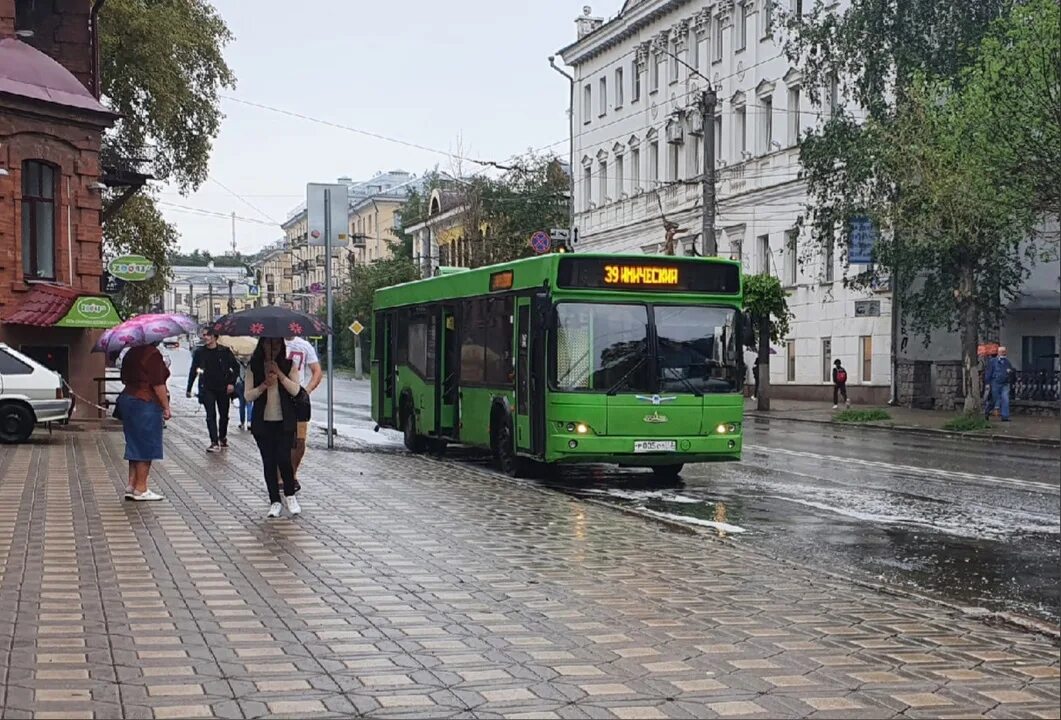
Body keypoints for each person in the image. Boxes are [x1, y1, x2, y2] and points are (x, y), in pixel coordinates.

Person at [244, 338, 303, 518]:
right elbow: (248, 396)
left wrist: (280, 375)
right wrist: (264, 385)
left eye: (277, 345)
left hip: (284, 422)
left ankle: (290, 494)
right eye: (269, 345)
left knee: (284, 458)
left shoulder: (288, 364)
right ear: (262, 345)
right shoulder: (253, 367)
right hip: (263, 423)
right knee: (269, 462)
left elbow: (296, 390)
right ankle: (274, 501)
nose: (273, 349)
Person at [117, 342, 171, 502]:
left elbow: (123, 378)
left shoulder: (131, 352)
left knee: (134, 442)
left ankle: (131, 485)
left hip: (128, 399)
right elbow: (158, 384)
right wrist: (166, 406)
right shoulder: (152, 355)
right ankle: (141, 488)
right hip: (145, 401)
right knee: (146, 444)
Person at [186, 328, 240, 453]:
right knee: (210, 415)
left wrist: (231, 383)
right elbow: (194, 369)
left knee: (224, 415)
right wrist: (189, 388)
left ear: (215, 337)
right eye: (204, 335)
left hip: (223, 388)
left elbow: (236, 367)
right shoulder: (200, 352)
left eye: (208, 335)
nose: (205, 337)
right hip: (207, 388)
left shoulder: (224, 351)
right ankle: (214, 442)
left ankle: (222, 437)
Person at [285, 335, 323, 488]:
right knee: (282, 440)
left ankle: (292, 474)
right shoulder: (273, 342)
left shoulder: (304, 345)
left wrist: (306, 391)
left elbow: (317, 371)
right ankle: (281, 477)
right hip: (280, 397)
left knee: (300, 441)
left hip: (299, 398)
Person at [983, 346, 1014, 422]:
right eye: (1002, 352)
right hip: (995, 383)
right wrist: (987, 383)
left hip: (1005, 383)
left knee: (1005, 399)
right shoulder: (993, 361)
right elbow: (989, 372)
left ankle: (1005, 416)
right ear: (998, 352)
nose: (1003, 353)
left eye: (1004, 351)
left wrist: (1010, 372)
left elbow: (1011, 370)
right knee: (994, 399)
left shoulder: (1007, 362)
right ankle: (987, 411)